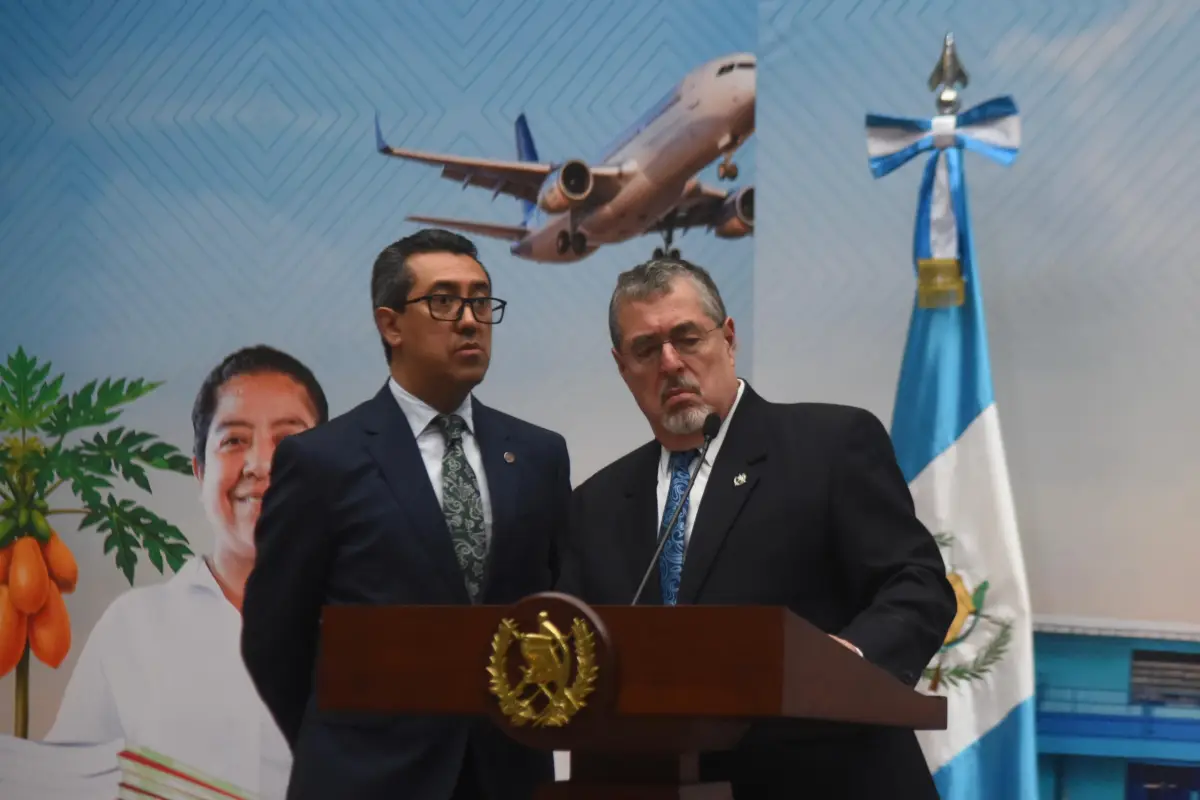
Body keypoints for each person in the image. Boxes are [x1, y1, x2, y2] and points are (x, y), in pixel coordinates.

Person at [558, 257, 956, 799]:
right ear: (622, 367)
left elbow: (917, 585)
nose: (670, 363)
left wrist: (847, 660)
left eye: (686, 338)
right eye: (646, 349)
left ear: (728, 338)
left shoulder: (831, 444)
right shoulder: (594, 506)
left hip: (829, 778)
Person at [241, 229, 572, 800]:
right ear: (390, 324)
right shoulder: (321, 461)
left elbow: (556, 608)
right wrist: (339, 739)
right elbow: (274, 638)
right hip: (365, 778)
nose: (469, 320)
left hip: (507, 778)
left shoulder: (539, 456)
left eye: (480, 299)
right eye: (443, 301)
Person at [46, 345, 329, 798]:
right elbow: (60, 787)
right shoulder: (132, 628)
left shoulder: (376, 628)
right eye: (234, 440)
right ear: (200, 471)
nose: (260, 465)